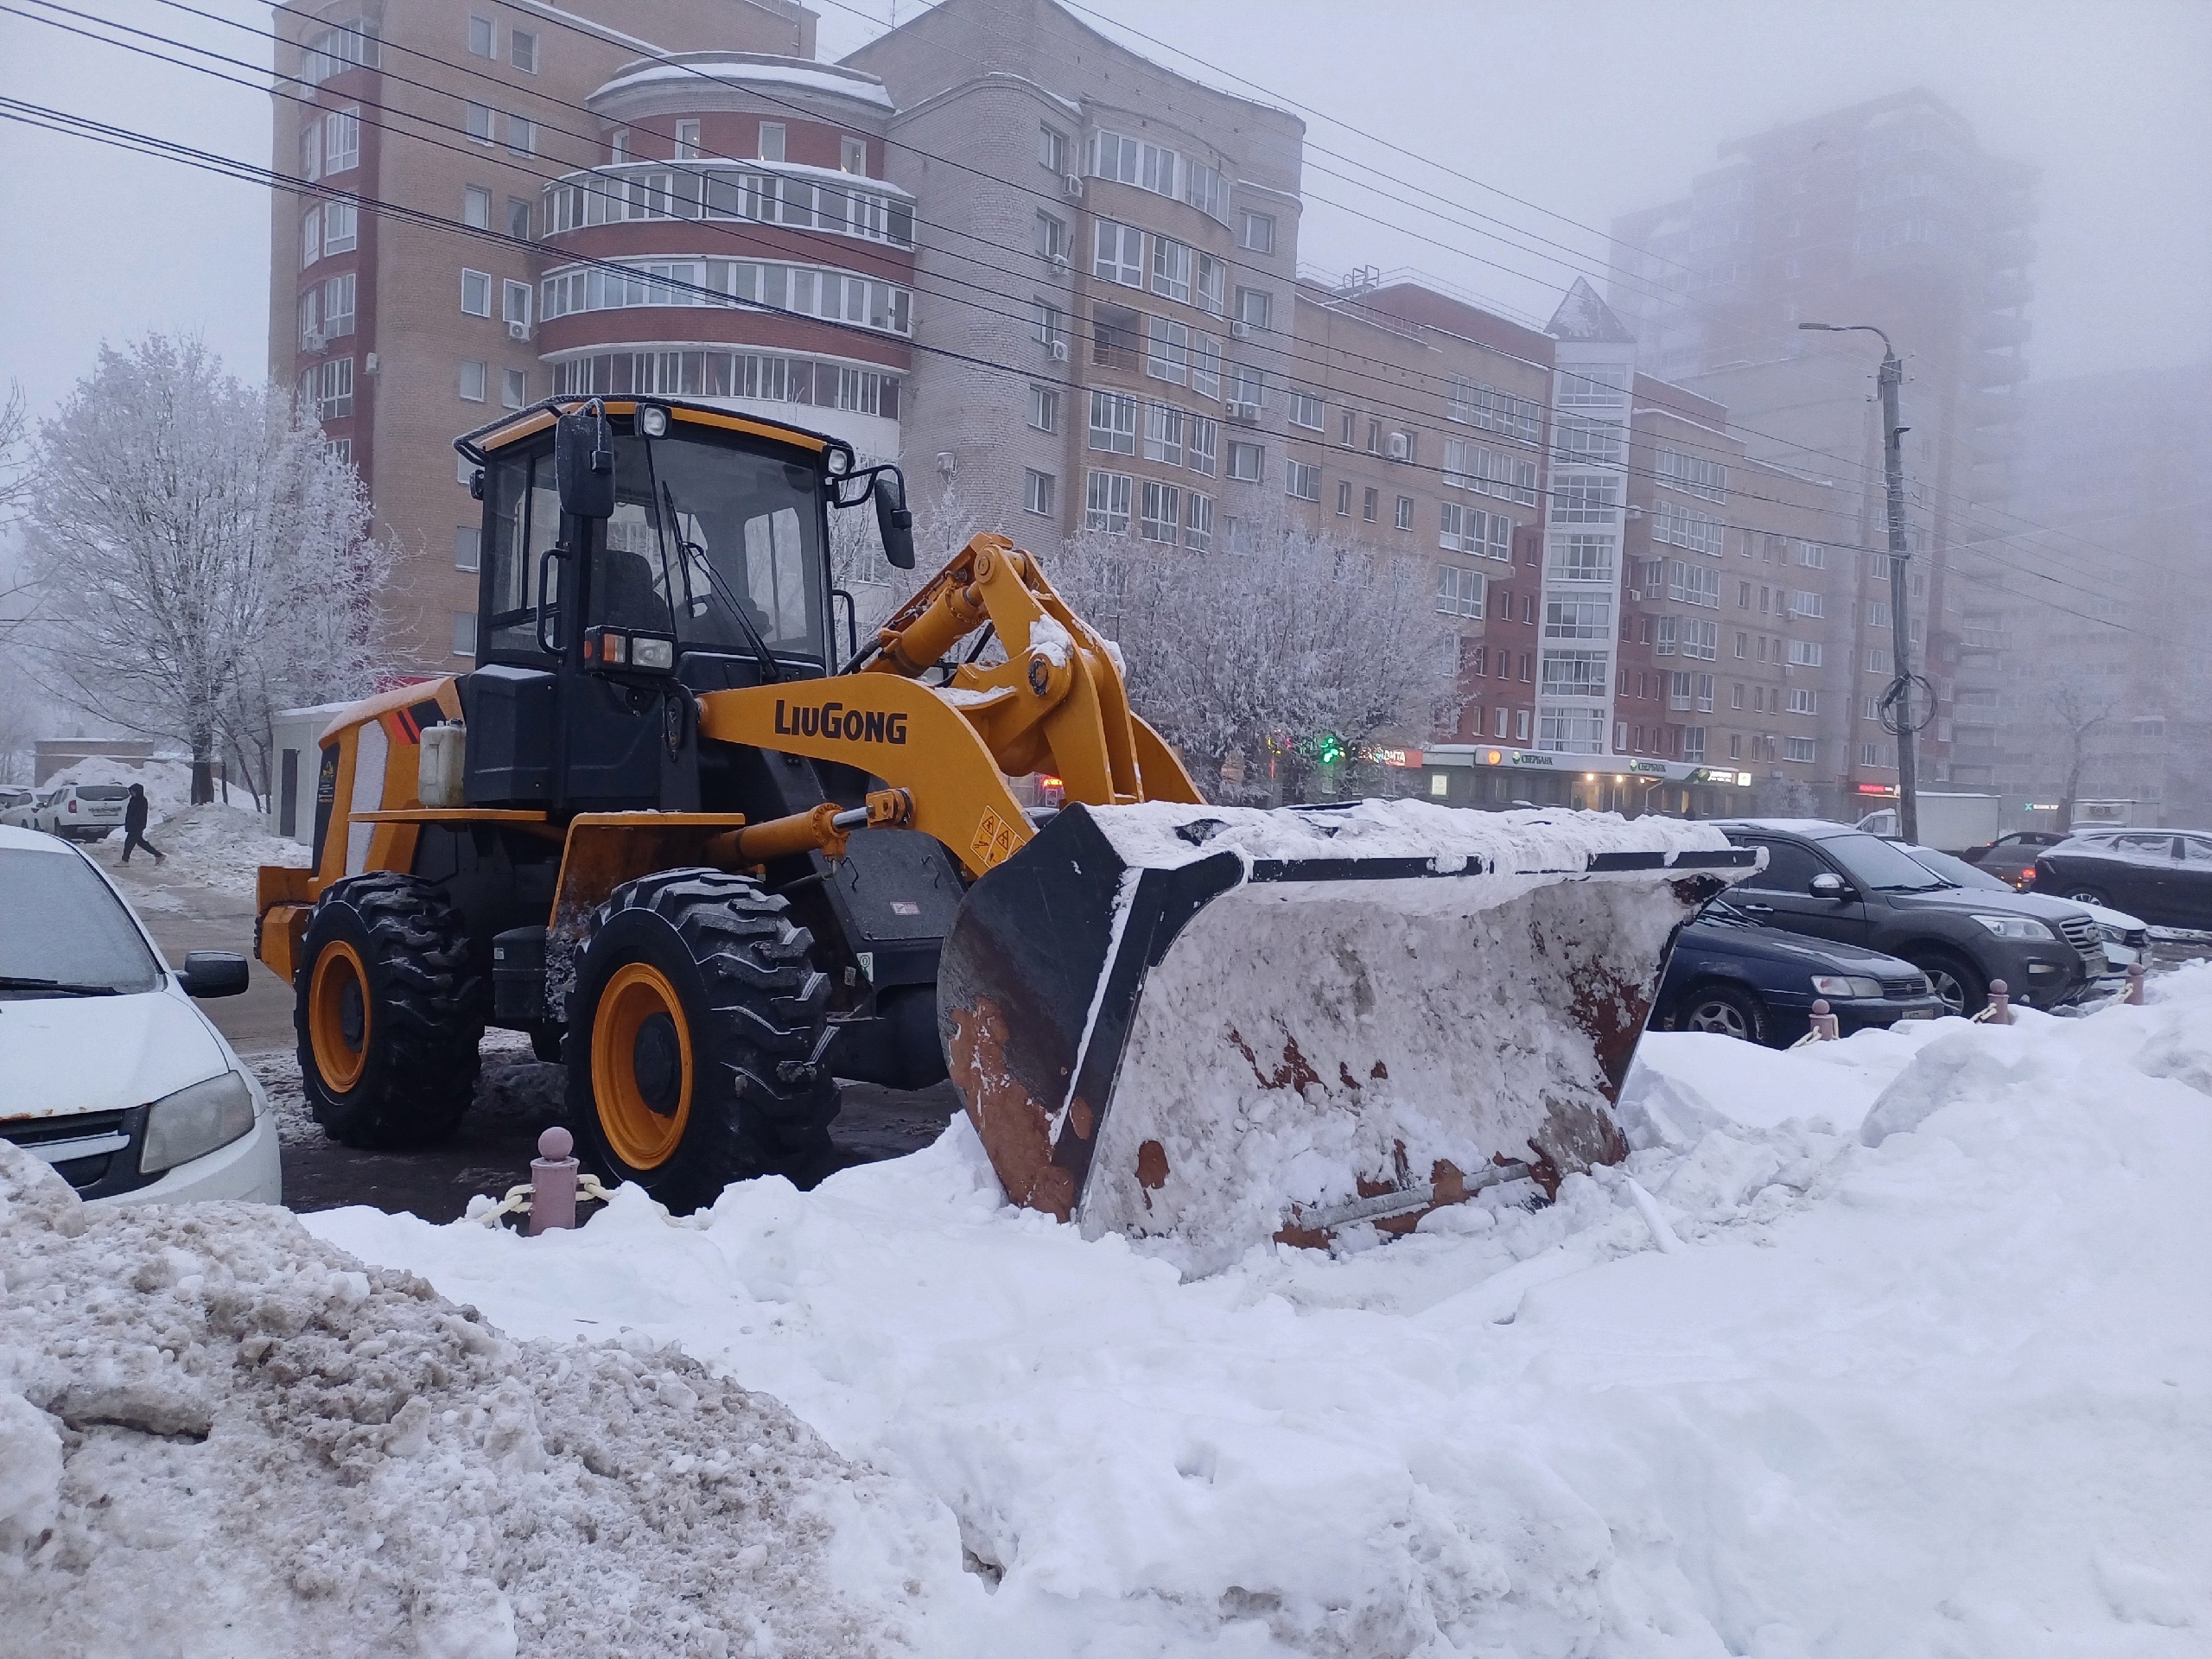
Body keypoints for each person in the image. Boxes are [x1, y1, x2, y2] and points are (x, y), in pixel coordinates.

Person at [120, 782, 165, 865]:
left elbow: (140, 815)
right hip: (133, 825)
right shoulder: (133, 799)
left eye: (133, 791)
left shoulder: (141, 801)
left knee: (129, 843)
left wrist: (135, 824)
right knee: (141, 843)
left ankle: (125, 860)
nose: (132, 793)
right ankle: (159, 855)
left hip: (137, 826)